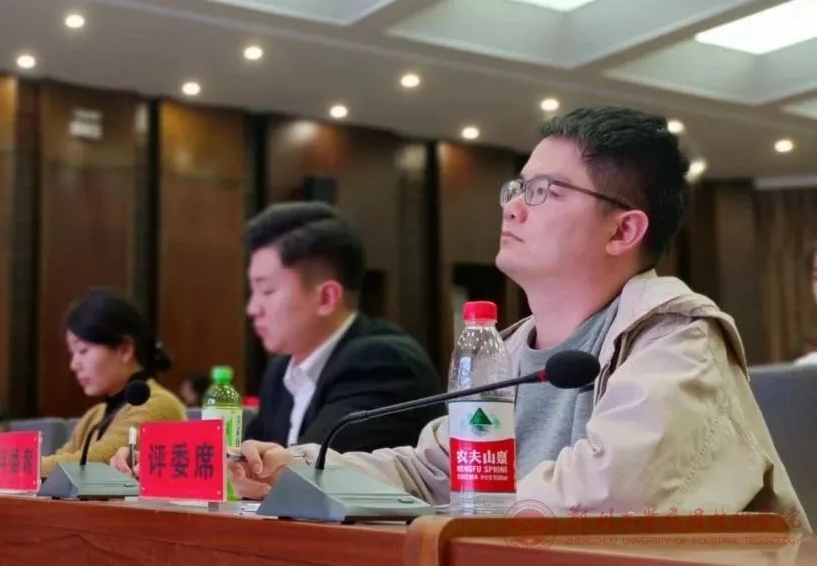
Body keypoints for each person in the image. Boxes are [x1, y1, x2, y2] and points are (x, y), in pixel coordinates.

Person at [225, 107, 810, 530]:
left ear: (624, 230)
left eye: (546, 191)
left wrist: (446, 517)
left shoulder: (676, 336)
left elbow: (612, 492)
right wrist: (301, 468)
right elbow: (431, 471)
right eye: (518, 188)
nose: (513, 208)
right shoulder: (502, 352)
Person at [109, 201, 443, 475]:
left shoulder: (382, 363)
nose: (252, 308)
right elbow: (242, 457)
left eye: (267, 290)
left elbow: (307, 470)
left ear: (326, 298)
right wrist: (154, 457)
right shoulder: (281, 371)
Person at [0, 288, 186, 475]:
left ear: (125, 349)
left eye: (83, 351)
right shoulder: (96, 415)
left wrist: (0, 463)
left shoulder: (159, 405)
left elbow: (95, 464)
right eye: (73, 353)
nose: (74, 364)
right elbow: (60, 462)